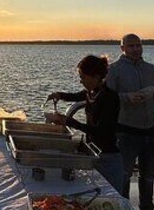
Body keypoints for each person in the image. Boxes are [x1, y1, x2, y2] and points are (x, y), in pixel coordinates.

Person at [106, 34, 154, 210]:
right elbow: (107, 98)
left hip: (151, 132)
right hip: (126, 132)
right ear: (122, 48)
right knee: (123, 176)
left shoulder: (150, 69)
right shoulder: (114, 70)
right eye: (131, 46)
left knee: (148, 176)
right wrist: (126, 97)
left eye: (139, 45)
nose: (136, 49)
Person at [47, 55, 123, 193]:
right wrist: (59, 95)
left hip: (109, 156)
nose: (81, 81)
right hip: (94, 152)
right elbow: (76, 96)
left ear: (96, 76)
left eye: (83, 77)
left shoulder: (109, 98)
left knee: (113, 196)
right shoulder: (91, 92)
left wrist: (70, 122)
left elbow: (102, 131)